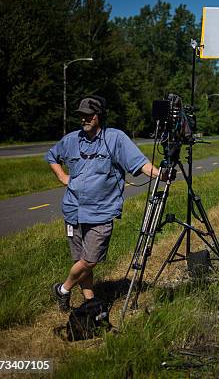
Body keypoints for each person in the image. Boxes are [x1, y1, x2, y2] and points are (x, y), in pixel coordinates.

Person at [46, 96, 162, 312]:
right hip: (73, 210)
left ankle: (62, 289)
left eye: (89, 115)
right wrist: (62, 177)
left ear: (100, 116)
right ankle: (90, 303)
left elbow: (140, 163)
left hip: (100, 211)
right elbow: (52, 156)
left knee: (89, 260)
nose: (84, 119)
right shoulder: (71, 140)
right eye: (81, 115)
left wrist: (160, 174)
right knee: (81, 261)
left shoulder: (116, 138)